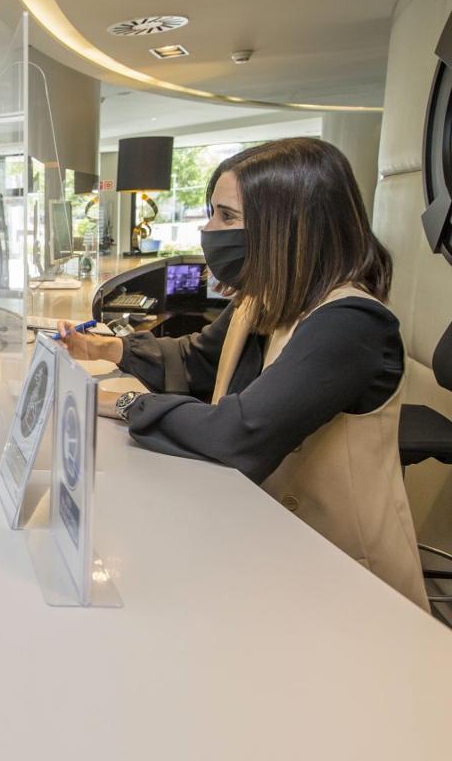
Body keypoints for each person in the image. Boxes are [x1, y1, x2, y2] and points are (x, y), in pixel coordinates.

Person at [59, 138, 427, 609]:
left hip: (344, 578)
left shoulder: (350, 323)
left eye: (227, 217)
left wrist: (126, 403)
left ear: (289, 226)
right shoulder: (263, 299)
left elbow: (238, 434)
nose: (209, 230)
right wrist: (108, 347)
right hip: (270, 542)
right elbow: (199, 360)